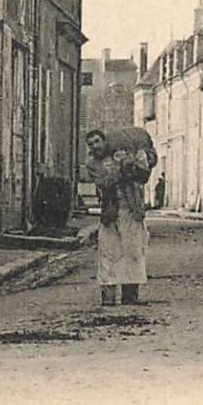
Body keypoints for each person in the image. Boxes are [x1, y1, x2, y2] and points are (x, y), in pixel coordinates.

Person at [87, 127, 157, 306]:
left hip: (131, 210)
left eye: (98, 141)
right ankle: (108, 297)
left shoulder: (122, 156)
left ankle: (130, 296)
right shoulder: (93, 165)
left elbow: (142, 176)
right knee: (108, 254)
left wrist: (133, 161)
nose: (95, 146)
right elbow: (105, 182)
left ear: (105, 142)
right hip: (110, 213)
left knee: (133, 252)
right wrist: (121, 167)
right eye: (91, 144)